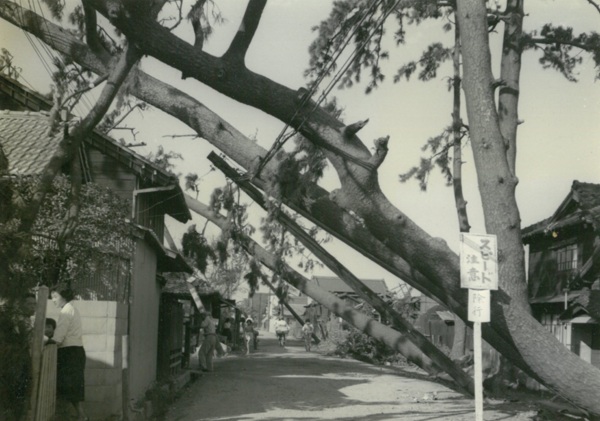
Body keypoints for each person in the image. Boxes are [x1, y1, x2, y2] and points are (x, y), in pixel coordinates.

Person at [51, 284, 88, 421]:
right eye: (52, 297)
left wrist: (48, 341)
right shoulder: (72, 309)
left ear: (64, 297)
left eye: (55, 297)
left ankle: (78, 416)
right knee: (72, 386)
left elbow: (59, 336)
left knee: (68, 386)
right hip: (75, 352)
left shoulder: (66, 311)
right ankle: (81, 416)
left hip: (69, 353)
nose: (53, 300)